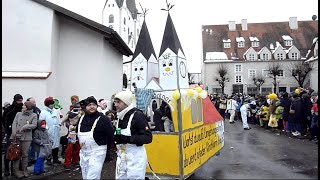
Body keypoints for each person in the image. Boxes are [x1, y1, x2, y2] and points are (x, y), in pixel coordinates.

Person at [113, 90, 153, 179]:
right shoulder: (120, 116)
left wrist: (126, 139)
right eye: (115, 102)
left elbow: (148, 138)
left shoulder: (137, 115)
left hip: (135, 157)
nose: (115, 105)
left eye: (118, 102)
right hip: (122, 157)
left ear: (126, 102)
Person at [76, 96, 114, 179]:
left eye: (94, 104)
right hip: (84, 153)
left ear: (97, 106)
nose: (92, 106)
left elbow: (111, 135)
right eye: (89, 105)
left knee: (92, 177)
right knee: (85, 177)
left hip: (97, 152)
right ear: (85, 107)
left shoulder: (103, 119)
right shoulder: (81, 119)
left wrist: (108, 152)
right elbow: (77, 133)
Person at [10, 101, 37, 178]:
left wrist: (25, 126)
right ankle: (16, 171)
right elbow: (14, 124)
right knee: (17, 154)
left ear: (28, 107)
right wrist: (15, 134)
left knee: (25, 155)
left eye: (24, 105)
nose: (22, 106)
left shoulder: (33, 115)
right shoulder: (18, 114)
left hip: (27, 138)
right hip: (17, 137)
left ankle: (24, 170)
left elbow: (34, 125)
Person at [3, 94, 24, 176]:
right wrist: (8, 130)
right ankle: (6, 169)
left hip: (20, 133)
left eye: (21, 100)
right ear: (15, 100)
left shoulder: (23, 108)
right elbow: (4, 120)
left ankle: (15, 169)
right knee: (9, 151)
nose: (20, 102)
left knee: (18, 152)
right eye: (19, 100)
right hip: (10, 133)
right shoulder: (9, 109)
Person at [39, 97, 61, 165]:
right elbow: (42, 121)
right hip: (48, 130)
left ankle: (55, 158)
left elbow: (58, 118)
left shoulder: (56, 111)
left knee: (56, 144)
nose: (52, 105)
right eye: (50, 104)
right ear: (47, 104)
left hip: (55, 129)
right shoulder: (43, 112)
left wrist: (59, 125)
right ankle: (48, 158)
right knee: (49, 145)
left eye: (52, 104)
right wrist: (46, 128)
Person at [62, 104, 83, 170]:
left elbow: (63, 121)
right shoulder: (76, 114)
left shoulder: (79, 114)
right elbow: (63, 121)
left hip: (77, 132)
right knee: (70, 148)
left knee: (77, 148)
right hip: (71, 133)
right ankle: (67, 163)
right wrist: (68, 126)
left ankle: (74, 161)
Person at [26, 97, 41, 166]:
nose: (34, 103)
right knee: (27, 146)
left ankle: (32, 158)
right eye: (33, 102)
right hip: (28, 131)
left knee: (34, 146)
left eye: (35, 102)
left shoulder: (37, 110)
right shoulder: (26, 110)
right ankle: (27, 160)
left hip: (35, 131)